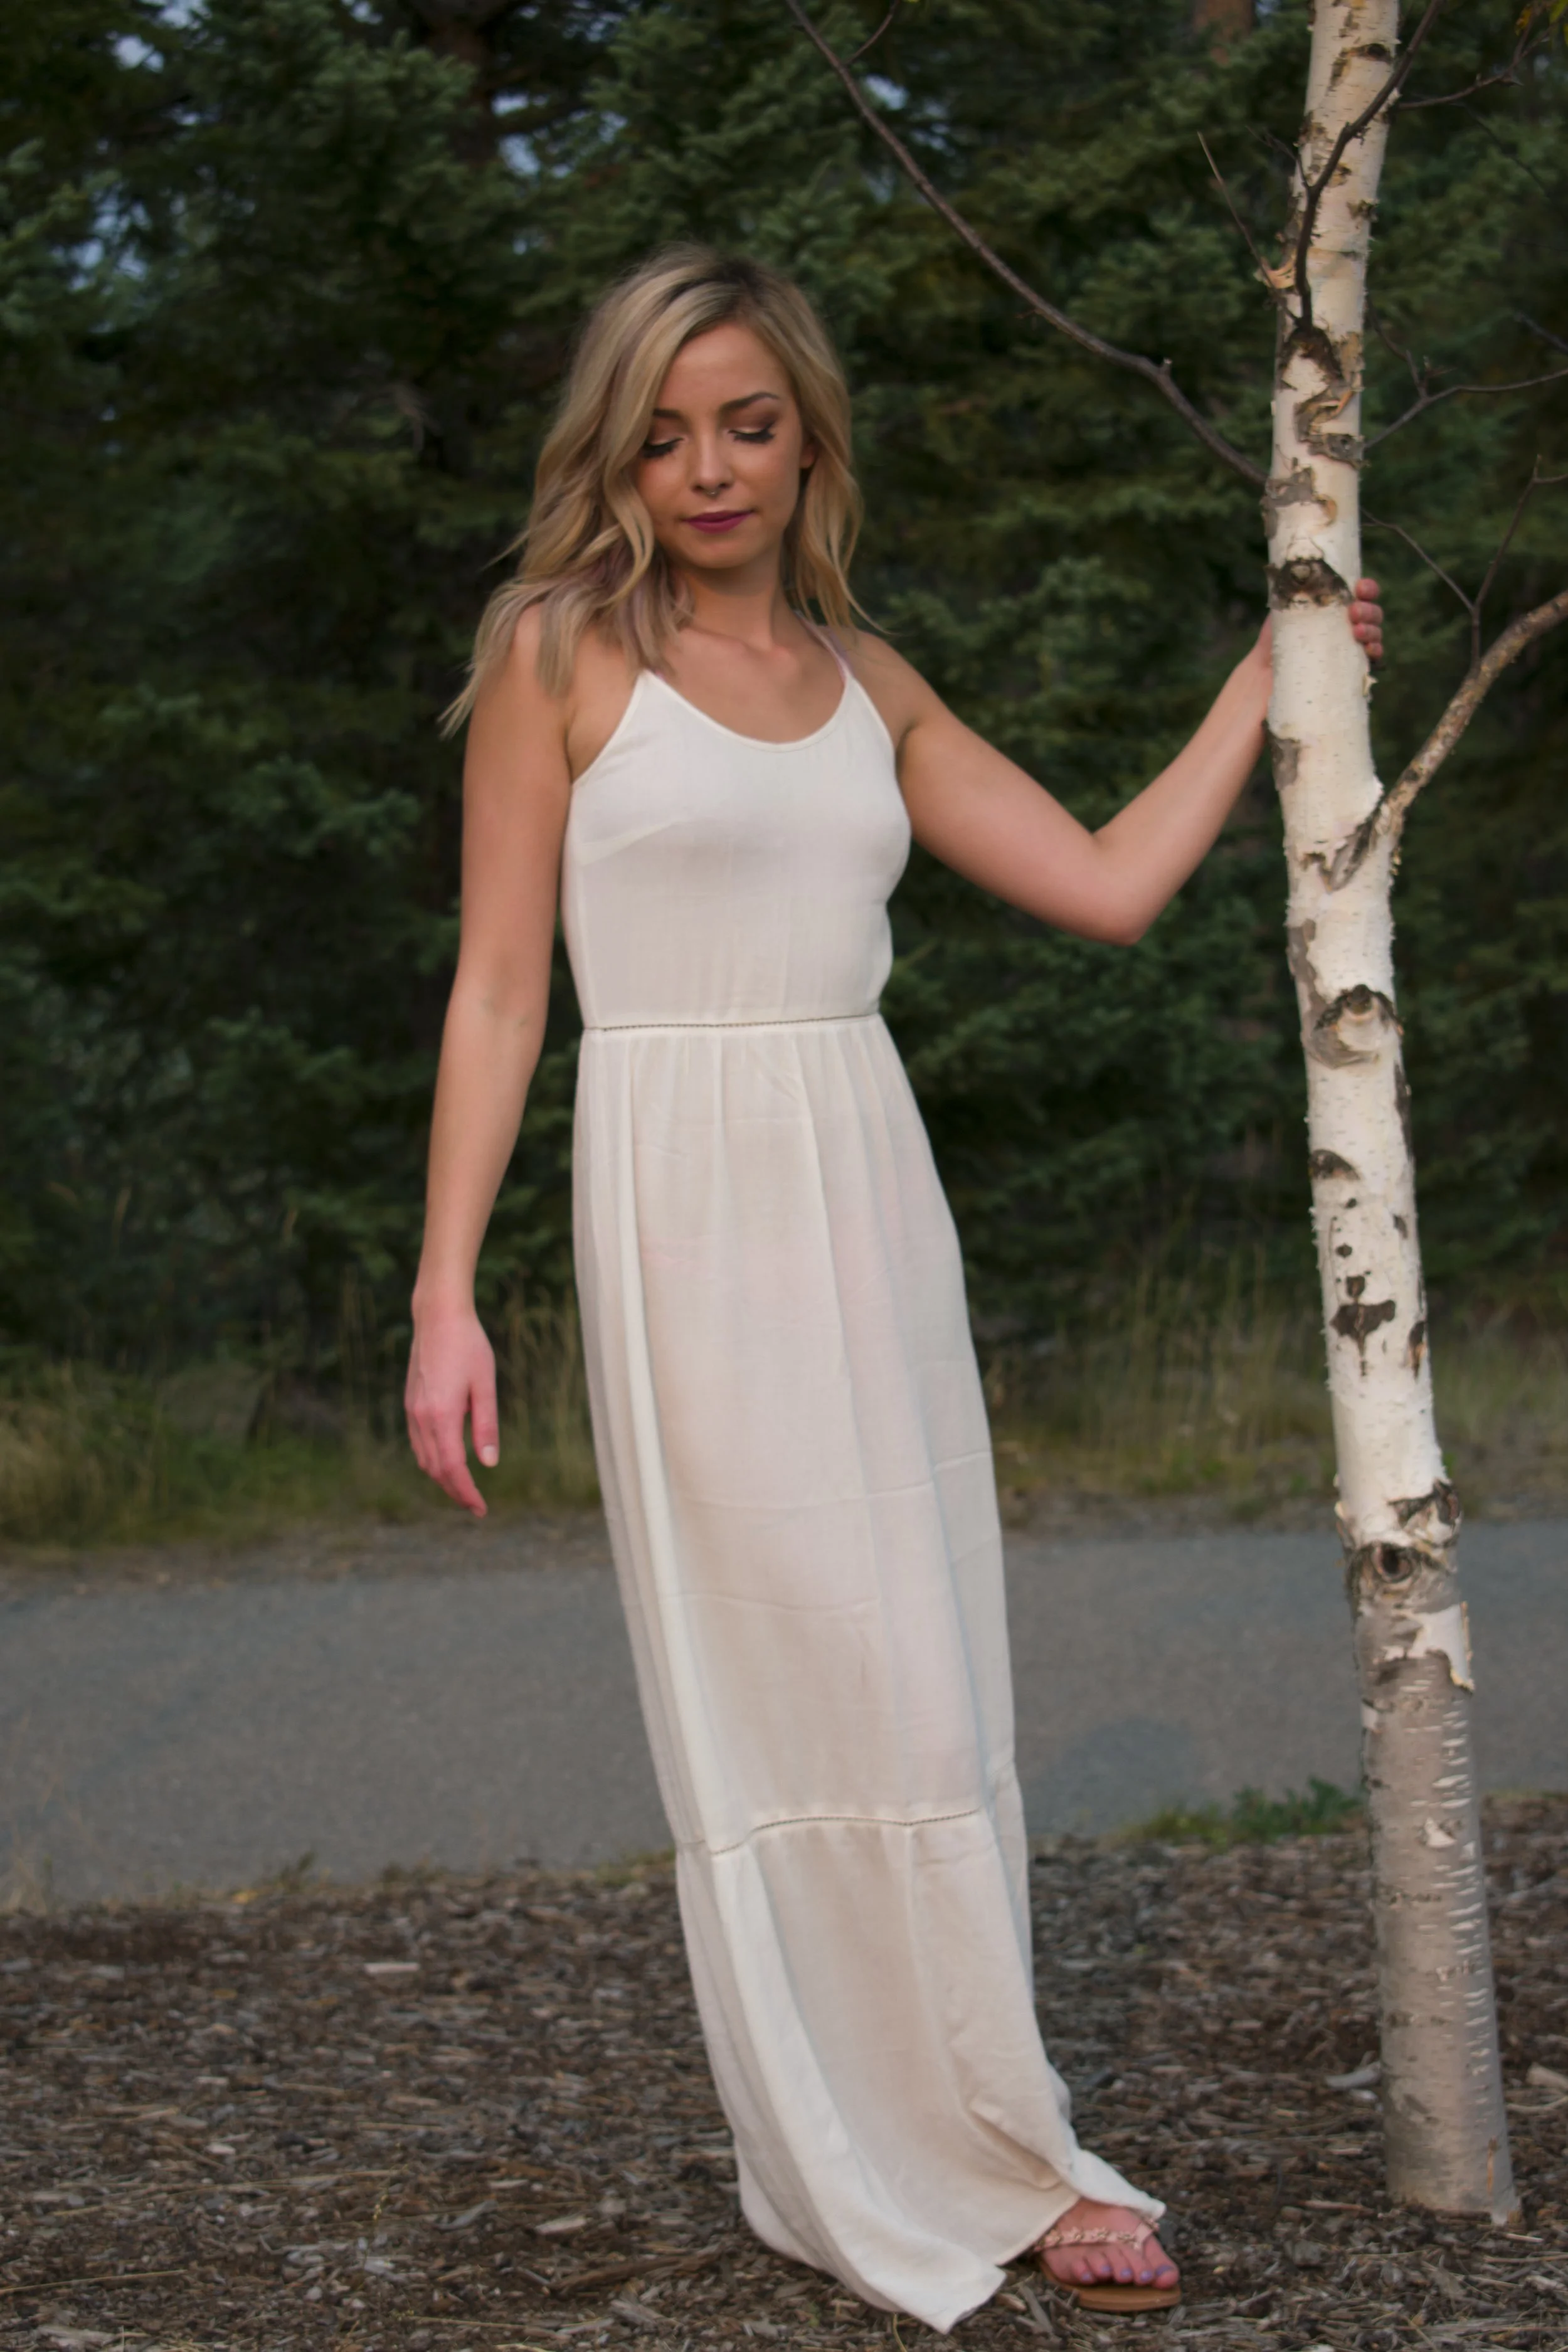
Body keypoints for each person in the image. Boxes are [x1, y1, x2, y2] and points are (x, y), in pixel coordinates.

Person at [405, 245, 1384, 2332]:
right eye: (662, 431)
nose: (707, 465)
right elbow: (498, 990)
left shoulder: (876, 680)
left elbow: (1111, 888)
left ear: (807, 431)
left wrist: (1265, 679)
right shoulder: (557, 653)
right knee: (771, 1704)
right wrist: (443, 1293)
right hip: (670, 1191)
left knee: (926, 1684)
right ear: (619, 449)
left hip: (862, 1185)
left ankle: (996, 2145)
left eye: (746, 420)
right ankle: (842, 2158)